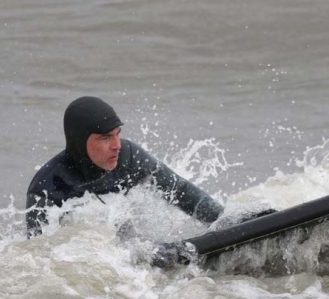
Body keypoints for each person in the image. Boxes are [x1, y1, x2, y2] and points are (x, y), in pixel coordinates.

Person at [26, 96, 224, 237]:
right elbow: (41, 258)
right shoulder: (47, 189)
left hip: (133, 251)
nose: (117, 145)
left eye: (117, 134)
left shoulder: (128, 158)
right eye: (105, 138)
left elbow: (179, 190)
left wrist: (223, 221)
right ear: (79, 141)